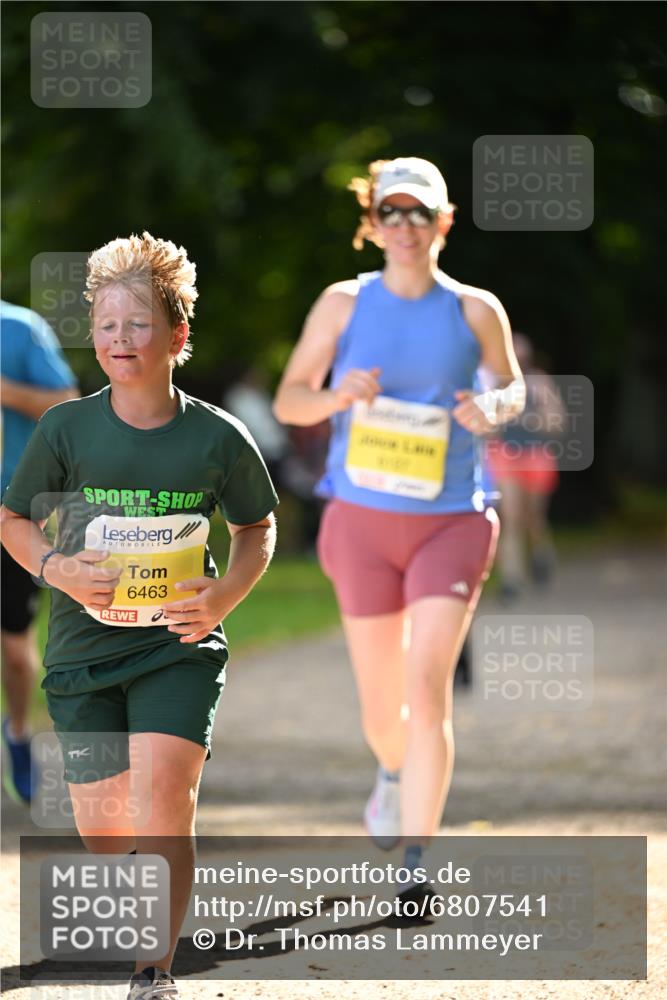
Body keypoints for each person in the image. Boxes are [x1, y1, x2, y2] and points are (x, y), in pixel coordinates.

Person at [0, 233, 278, 1000]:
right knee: (106, 827)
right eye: (106, 324)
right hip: (83, 653)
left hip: (178, 646)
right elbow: (13, 520)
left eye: (138, 324)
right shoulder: (66, 429)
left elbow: (255, 529)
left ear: (177, 336)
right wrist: (57, 568)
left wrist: (224, 596)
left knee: (166, 797)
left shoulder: (217, 436)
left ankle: (153, 970)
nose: (120, 339)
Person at [273, 157, 525, 908]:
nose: (406, 225)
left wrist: (495, 407)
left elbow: (510, 386)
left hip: (451, 520)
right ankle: (390, 773)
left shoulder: (476, 309)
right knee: (383, 710)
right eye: (392, 211)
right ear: (373, 222)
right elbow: (289, 400)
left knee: (427, 686)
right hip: (361, 524)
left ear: (443, 221)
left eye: (421, 212)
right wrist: (335, 397)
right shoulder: (342, 303)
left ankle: (416, 859)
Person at [1, 299, 78, 803]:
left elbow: (67, 403)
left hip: (10, 510)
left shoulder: (19, 329)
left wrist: (5, 390)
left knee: (14, 649)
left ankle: (18, 731)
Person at [485, 332, 564, 602]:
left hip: (535, 456)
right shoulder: (494, 383)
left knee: (534, 517)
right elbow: (486, 425)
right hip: (505, 455)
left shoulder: (538, 382)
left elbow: (556, 422)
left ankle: (540, 553)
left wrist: (528, 419)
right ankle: (511, 579)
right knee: (511, 517)